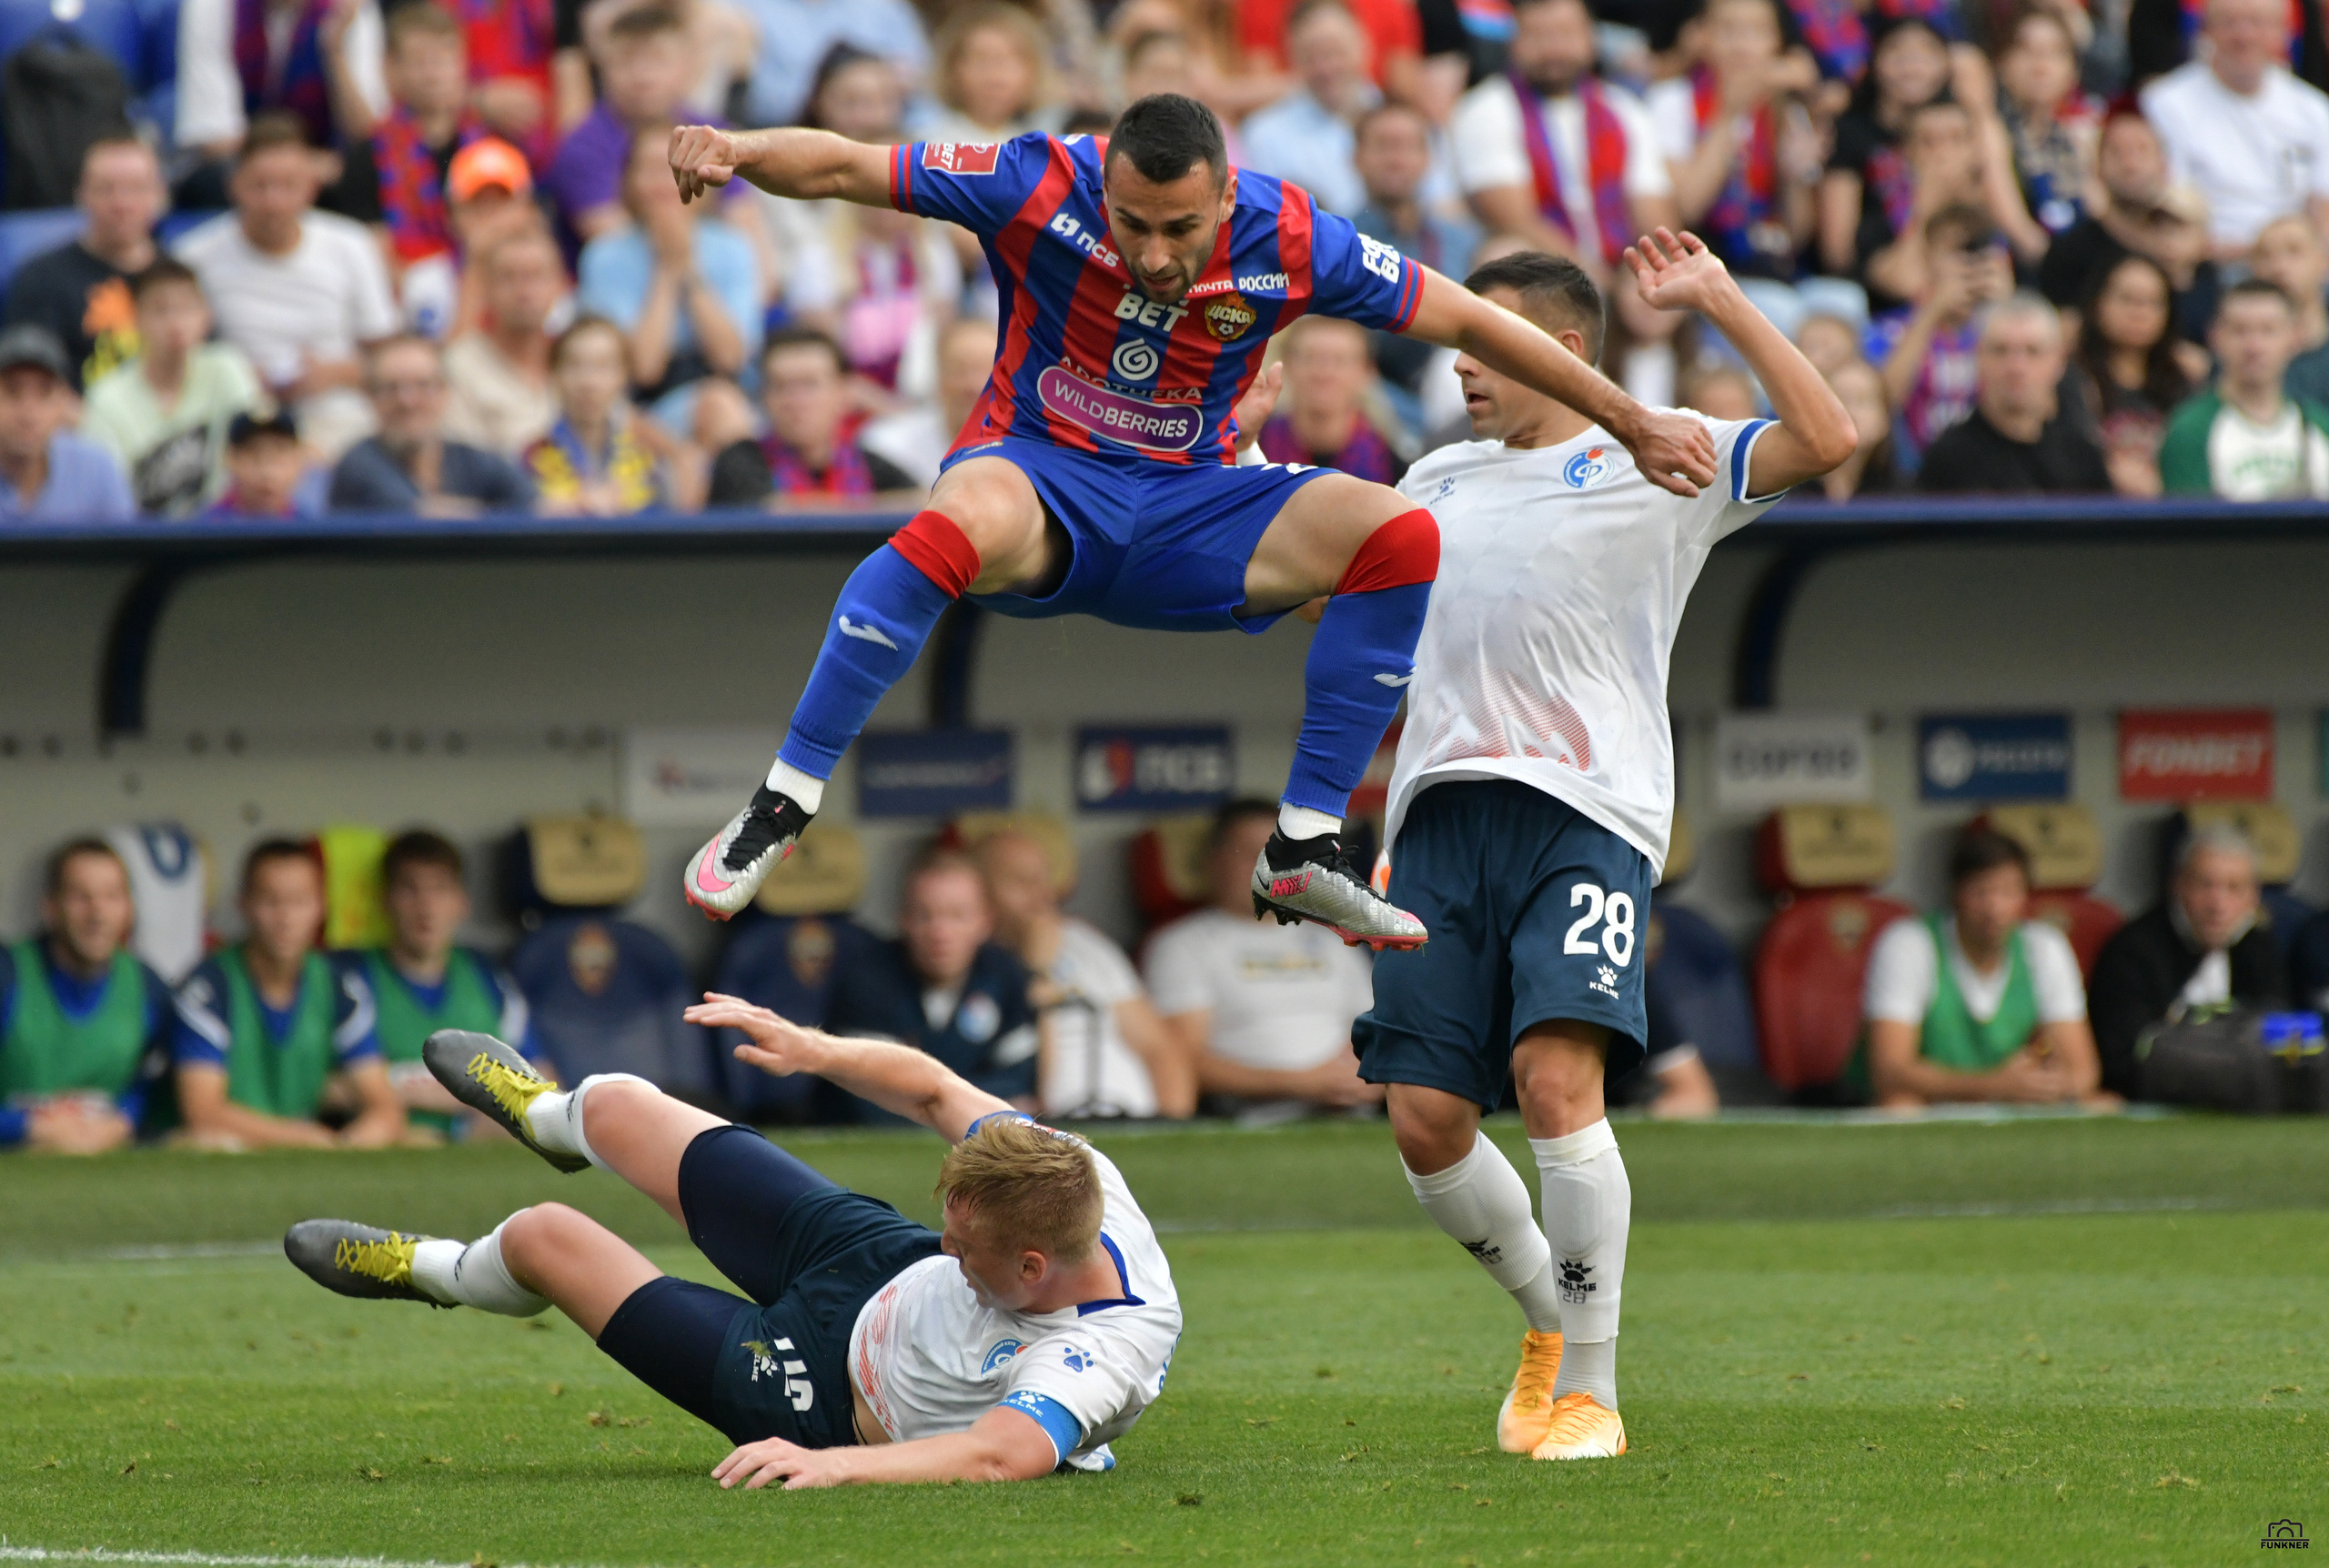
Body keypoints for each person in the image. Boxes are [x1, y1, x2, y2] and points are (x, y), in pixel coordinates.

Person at [662, 94, 1717, 948]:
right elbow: (850, 167)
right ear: (1103, 188)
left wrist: (1626, 421)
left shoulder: (1293, 234)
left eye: (1182, 228)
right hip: (1044, 480)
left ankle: (1304, 845)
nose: (1157, 255)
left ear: (1225, 193)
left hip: (1189, 509)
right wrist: (739, 147)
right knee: (957, 511)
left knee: (1399, 533)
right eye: (1132, 225)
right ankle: (782, 804)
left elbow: (1476, 317)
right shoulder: (1036, 181)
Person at [1354, 238, 1852, 1462]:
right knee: (1423, 1117)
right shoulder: (1435, 480)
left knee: (1556, 1083)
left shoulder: (1654, 451)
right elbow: (1344, 611)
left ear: (1565, 353)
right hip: (1437, 822)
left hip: (1588, 813)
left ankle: (1591, 1391)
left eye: (1492, 340)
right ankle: (1543, 1321)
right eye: (1460, 340)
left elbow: (1827, 438)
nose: (1465, 362)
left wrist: (1721, 299)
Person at [282, 1007, 1180, 1484]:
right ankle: (549, 1118)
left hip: (822, 1394)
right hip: (872, 1262)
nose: (949, 1241)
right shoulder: (1063, 1172)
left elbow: (999, 1453)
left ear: (1032, 1266)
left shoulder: (1103, 1352)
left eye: (966, 1239)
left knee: (537, 1237)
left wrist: (833, 1462)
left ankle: (431, 1270)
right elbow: (937, 1087)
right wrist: (811, 1046)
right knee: (618, 1102)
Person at [1446, 0, 1680, 395]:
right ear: (1515, 44)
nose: (1554, 49)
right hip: (1540, 271)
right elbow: (1513, 217)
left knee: (1664, 275)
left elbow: (1656, 216)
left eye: (1566, 35)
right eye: (1539, 36)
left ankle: (1658, 401)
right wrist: (1592, 276)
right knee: (1507, 253)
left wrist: (1634, 272)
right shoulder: (1487, 108)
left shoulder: (1624, 111)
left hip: (1616, 271)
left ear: (1591, 41)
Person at [176, 116, 401, 461]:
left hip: (338, 420)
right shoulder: (193, 257)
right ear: (234, 185)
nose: (273, 201)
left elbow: (388, 357)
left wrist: (335, 373)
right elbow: (177, 356)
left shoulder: (351, 244)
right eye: (260, 186)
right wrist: (241, 380)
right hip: (237, 425)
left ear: (311, 187)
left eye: (287, 185)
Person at [1143, 799, 1380, 1119]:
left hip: (1351, 1112)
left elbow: (1380, 1034)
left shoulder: (1333, 938)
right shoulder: (1181, 945)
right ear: (1213, 861)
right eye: (1250, 851)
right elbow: (1183, 1060)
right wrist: (1301, 1083)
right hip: (1245, 1120)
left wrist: (1369, 1081)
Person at [173, 839, 406, 1149]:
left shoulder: (340, 988)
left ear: (321, 907)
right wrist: (304, 1139)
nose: (285, 918)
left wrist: (347, 1144)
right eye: (270, 901)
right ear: (243, 904)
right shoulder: (208, 988)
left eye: (299, 902)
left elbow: (385, 1107)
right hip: (228, 1154)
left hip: (306, 1152)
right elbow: (204, 1113)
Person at [1857, 828, 2108, 1109]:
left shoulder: (2044, 947)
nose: (1995, 908)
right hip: (1932, 1105)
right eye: (1981, 892)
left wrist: (2043, 1086)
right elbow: (1890, 1072)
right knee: (1900, 1106)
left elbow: (2083, 1071)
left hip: (2013, 1105)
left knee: (2100, 1104)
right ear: (1955, 894)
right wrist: (1993, 1086)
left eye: (2009, 892)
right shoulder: (1910, 943)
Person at [978, 829, 1195, 1121]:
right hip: (1049, 1133)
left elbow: (1159, 1050)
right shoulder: (970, 961)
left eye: (1044, 880)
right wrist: (1036, 968)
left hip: (1135, 1120)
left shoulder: (1084, 942)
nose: (1041, 895)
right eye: (1021, 882)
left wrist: (1173, 1130)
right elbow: (1012, 1070)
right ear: (979, 892)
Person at [819, 847, 1044, 1120]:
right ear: (903, 920)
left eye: (957, 916)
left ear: (985, 922)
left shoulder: (1005, 974)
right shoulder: (866, 980)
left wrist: (927, 1099)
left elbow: (1021, 1082)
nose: (941, 932)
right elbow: (873, 1101)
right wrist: (971, 1103)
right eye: (925, 916)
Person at [348, 829, 541, 1137]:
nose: (426, 907)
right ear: (385, 901)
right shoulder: (352, 980)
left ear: (461, 902)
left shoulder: (487, 978)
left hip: (480, 1144)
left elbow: (540, 1081)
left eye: (439, 889)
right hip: (392, 1145)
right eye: (410, 889)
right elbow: (324, 1087)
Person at [0, 839, 176, 1154]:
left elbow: (163, 1087)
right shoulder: (8, 976)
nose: (98, 913)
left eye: (112, 897)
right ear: (51, 908)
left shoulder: (147, 988)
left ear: (129, 909)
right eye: (81, 897)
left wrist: (122, 1121)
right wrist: (28, 1126)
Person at [2089, 825, 2289, 1098]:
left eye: (2234, 888)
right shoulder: (2132, 951)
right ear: (2178, 884)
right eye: (2205, 885)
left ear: (2253, 896)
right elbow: (2123, 1061)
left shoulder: (2258, 946)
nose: (2218, 904)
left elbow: (2279, 1035)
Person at [578, 128, 761, 419]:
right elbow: (642, 369)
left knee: (721, 404)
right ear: (629, 181)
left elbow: (731, 358)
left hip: (729, 395)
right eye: (649, 169)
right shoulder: (605, 257)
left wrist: (688, 269)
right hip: (644, 407)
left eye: (674, 167)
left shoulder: (731, 247)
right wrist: (665, 269)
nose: (662, 183)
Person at [1647, 0, 1820, 288]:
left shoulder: (1785, 110)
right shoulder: (1671, 100)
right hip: (1699, 263)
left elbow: (1797, 233)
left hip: (1772, 264)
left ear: (1777, 42)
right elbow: (1687, 208)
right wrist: (1729, 115)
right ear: (1703, 36)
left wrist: (1795, 176)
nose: (1742, 45)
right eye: (1729, 30)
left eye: (1757, 32)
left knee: (1842, 299)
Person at [2140, 0, 2329, 256]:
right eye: (2229, 22)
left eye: (2257, 23)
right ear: (2204, 30)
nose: (2245, 35)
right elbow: (2173, 207)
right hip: (2205, 261)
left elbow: (2322, 210)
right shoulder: (2164, 103)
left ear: (2283, 32)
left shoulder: (2314, 109)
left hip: (2292, 259)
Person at [80, 259, 266, 517]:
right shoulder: (106, 396)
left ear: (206, 316)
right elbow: (105, 494)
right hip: (137, 539)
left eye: (186, 308)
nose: (176, 323)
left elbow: (257, 448)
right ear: (135, 319)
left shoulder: (226, 368)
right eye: (161, 310)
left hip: (222, 530)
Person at [2034, 111, 2218, 342]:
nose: (2130, 164)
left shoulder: (2190, 256)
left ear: (2164, 165)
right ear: (2097, 167)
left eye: (2142, 151)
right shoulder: (2070, 251)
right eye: (2116, 153)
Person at [3, 136, 167, 393]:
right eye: (106, 189)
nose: (121, 204)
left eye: (135, 188)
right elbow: (29, 387)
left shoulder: (179, 277)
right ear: (82, 195)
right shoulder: (41, 279)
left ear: (159, 196)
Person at [1916, 294, 2111, 491]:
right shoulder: (1948, 461)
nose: (2016, 367)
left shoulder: (2082, 457)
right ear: (1979, 358)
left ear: (2059, 362)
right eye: (2000, 350)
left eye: (2032, 351)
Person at [1816, 16, 1953, 294]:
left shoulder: (1960, 127)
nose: (1912, 66)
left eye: (1926, 53)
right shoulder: (1851, 132)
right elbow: (1838, 252)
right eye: (1898, 53)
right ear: (1875, 61)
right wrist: (1923, 205)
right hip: (1868, 282)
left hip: (1944, 274)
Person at [707, 329, 919, 506]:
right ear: (764, 398)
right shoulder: (739, 460)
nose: (795, 401)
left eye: (810, 385)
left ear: (843, 394)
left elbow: (920, 501)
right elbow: (772, 509)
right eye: (781, 386)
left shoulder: (869, 465)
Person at [2160, 278, 2329, 498]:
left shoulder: (2320, 425)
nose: (2254, 346)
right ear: (2215, 337)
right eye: (2240, 331)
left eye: (2268, 330)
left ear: (2294, 337)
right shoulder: (2189, 431)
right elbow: (2189, 528)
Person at [1870, 203, 2012, 462]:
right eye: (1957, 251)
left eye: (1977, 252)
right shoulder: (1892, 329)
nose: (1969, 263)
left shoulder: (2003, 331)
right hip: (1915, 479)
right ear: (1927, 258)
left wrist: (2006, 310)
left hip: (1990, 477)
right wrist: (1932, 311)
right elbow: (1883, 400)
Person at [548, 5, 701, 246]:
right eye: (626, 60)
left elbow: (752, 242)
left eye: (657, 59)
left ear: (688, 65)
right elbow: (612, 239)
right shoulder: (582, 148)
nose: (642, 76)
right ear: (602, 68)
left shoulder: (714, 133)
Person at [328, 335, 534, 513]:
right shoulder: (358, 464)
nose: (408, 401)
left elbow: (535, 503)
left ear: (445, 393)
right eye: (391, 388)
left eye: (423, 385)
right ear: (371, 398)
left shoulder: (471, 460)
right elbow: (420, 516)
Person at [176, 0, 388, 157]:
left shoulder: (349, 8)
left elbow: (368, 136)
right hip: (239, 164)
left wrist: (335, 53)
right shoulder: (214, 6)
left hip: (325, 168)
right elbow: (214, 136)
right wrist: (291, 169)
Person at [2068, 254, 2196, 498]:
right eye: (2127, 299)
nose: (2139, 312)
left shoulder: (2182, 384)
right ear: (2098, 305)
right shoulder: (2071, 380)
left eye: (2152, 302)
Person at [1240, 0, 1382, 216]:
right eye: (1311, 56)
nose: (1325, 67)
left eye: (1335, 52)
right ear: (1293, 58)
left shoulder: (1397, 118)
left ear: (1364, 45)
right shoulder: (1264, 135)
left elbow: (1438, 205)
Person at [526, 317, 678, 513]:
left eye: (603, 366)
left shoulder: (648, 464)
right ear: (554, 374)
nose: (588, 382)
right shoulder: (528, 460)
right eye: (574, 365)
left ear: (623, 377)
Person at [441, 227, 567, 458]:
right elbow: (465, 464)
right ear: (486, 289)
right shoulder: (460, 364)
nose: (524, 291)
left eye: (535, 276)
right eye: (509, 277)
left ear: (560, 285)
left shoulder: (576, 355)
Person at [1989, 6, 2098, 260]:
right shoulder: (1992, 132)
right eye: (2027, 51)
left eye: (2055, 53)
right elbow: (2021, 235)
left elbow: (2097, 212)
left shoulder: (2074, 140)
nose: (2041, 65)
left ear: (2073, 71)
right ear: (2001, 62)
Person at [0, 327, 137, 524]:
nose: (28, 411)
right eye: (13, 391)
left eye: (45, 392)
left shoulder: (97, 468)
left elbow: (128, 550)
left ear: (66, 401)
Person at [1255, 316, 1407, 480]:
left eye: (1339, 360)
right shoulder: (1249, 453)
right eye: (1309, 358)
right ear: (1285, 364)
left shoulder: (1393, 470)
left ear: (1367, 370)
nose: (1324, 373)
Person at [858, 316, 996, 487]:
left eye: (986, 371)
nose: (973, 386)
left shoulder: (1026, 450)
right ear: (938, 376)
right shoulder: (890, 446)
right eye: (959, 370)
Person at [1353, 102, 1480, 281]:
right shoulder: (1337, 244)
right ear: (1356, 157)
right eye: (1382, 146)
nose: (1395, 161)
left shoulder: (1463, 244)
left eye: (1407, 147)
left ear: (1428, 158)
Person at [927, 4, 1063, 144]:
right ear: (952, 69)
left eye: (1007, 60)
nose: (994, 73)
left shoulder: (1038, 145)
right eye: (981, 59)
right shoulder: (931, 143)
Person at [2248, 213, 2329, 407]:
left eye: (2295, 251)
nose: (2279, 267)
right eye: (2266, 255)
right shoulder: (2240, 351)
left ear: (2323, 261)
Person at [1814, 355, 1898, 498]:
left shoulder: (1903, 498)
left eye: (1862, 401)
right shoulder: (1784, 493)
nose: (1850, 412)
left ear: (1884, 420)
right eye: (1839, 400)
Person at [205, 408, 313, 518]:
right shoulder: (204, 528)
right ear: (231, 458)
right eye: (253, 453)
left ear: (299, 458)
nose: (267, 470)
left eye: (279, 452)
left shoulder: (314, 528)